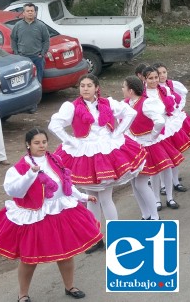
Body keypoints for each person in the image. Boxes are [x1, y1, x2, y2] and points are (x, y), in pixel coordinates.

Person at [0, 128, 103, 301]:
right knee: (29, 259)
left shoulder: (55, 159)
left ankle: (69, 286)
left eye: (44, 142)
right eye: (37, 143)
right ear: (28, 144)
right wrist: (31, 174)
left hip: (60, 212)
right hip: (34, 216)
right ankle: (23, 294)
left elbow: (66, 185)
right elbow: (15, 192)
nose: (41, 146)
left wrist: (84, 196)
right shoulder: (20, 168)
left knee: (66, 253)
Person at [48, 74, 146, 253]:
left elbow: (130, 112)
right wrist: (70, 141)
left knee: (106, 198)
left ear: (96, 88)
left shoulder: (107, 103)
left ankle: (115, 238)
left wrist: (118, 133)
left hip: (106, 151)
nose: (85, 88)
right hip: (83, 153)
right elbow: (54, 125)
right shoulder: (71, 107)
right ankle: (95, 238)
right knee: (91, 198)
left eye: (88, 85)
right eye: (82, 85)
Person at [122, 76, 183, 219]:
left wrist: (153, 135)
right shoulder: (125, 104)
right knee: (134, 183)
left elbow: (160, 121)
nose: (122, 90)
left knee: (141, 183)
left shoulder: (146, 103)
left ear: (130, 90)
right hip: (132, 147)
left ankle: (155, 216)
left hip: (147, 146)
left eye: (124, 87)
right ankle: (145, 215)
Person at [143, 66, 187, 210]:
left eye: (156, 77)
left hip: (166, 131)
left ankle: (170, 197)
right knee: (155, 168)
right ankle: (156, 199)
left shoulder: (164, 90)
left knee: (168, 165)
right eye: (151, 78)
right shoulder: (142, 94)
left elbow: (172, 108)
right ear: (144, 79)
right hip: (151, 133)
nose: (154, 80)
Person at [156, 63, 190, 194]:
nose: (162, 75)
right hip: (161, 127)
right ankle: (163, 184)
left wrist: (177, 109)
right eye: (159, 74)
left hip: (172, 124)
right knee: (162, 156)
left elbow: (181, 97)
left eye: (164, 72)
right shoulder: (150, 92)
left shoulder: (170, 86)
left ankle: (175, 181)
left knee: (175, 154)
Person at [10, 3, 50, 84]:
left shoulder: (41, 25)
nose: (30, 12)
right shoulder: (18, 25)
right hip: (22, 57)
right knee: (24, 81)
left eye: (32, 11)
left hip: (37, 58)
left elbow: (46, 40)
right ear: (24, 13)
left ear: (35, 13)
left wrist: (42, 54)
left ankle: (38, 95)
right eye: (28, 11)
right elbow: (13, 39)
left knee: (38, 80)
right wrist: (16, 53)